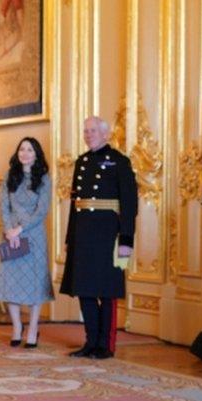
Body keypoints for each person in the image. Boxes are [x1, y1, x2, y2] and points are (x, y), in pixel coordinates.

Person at [59, 116, 138, 359]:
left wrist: (126, 240)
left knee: (106, 291)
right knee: (85, 290)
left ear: (105, 134)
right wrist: (70, 237)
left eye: (93, 130)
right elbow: (76, 203)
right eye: (85, 131)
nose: (88, 134)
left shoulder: (119, 161)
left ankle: (105, 345)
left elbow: (130, 203)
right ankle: (90, 342)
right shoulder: (81, 162)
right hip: (83, 234)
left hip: (108, 234)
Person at [0, 137, 54, 348]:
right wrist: (10, 230)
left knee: (35, 284)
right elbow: (4, 207)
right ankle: (17, 327)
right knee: (10, 281)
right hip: (11, 236)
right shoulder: (10, 175)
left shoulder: (44, 178)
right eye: (22, 149)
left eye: (30, 150)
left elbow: (42, 210)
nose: (25, 153)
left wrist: (21, 229)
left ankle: (32, 328)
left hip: (34, 236)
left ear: (36, 154)